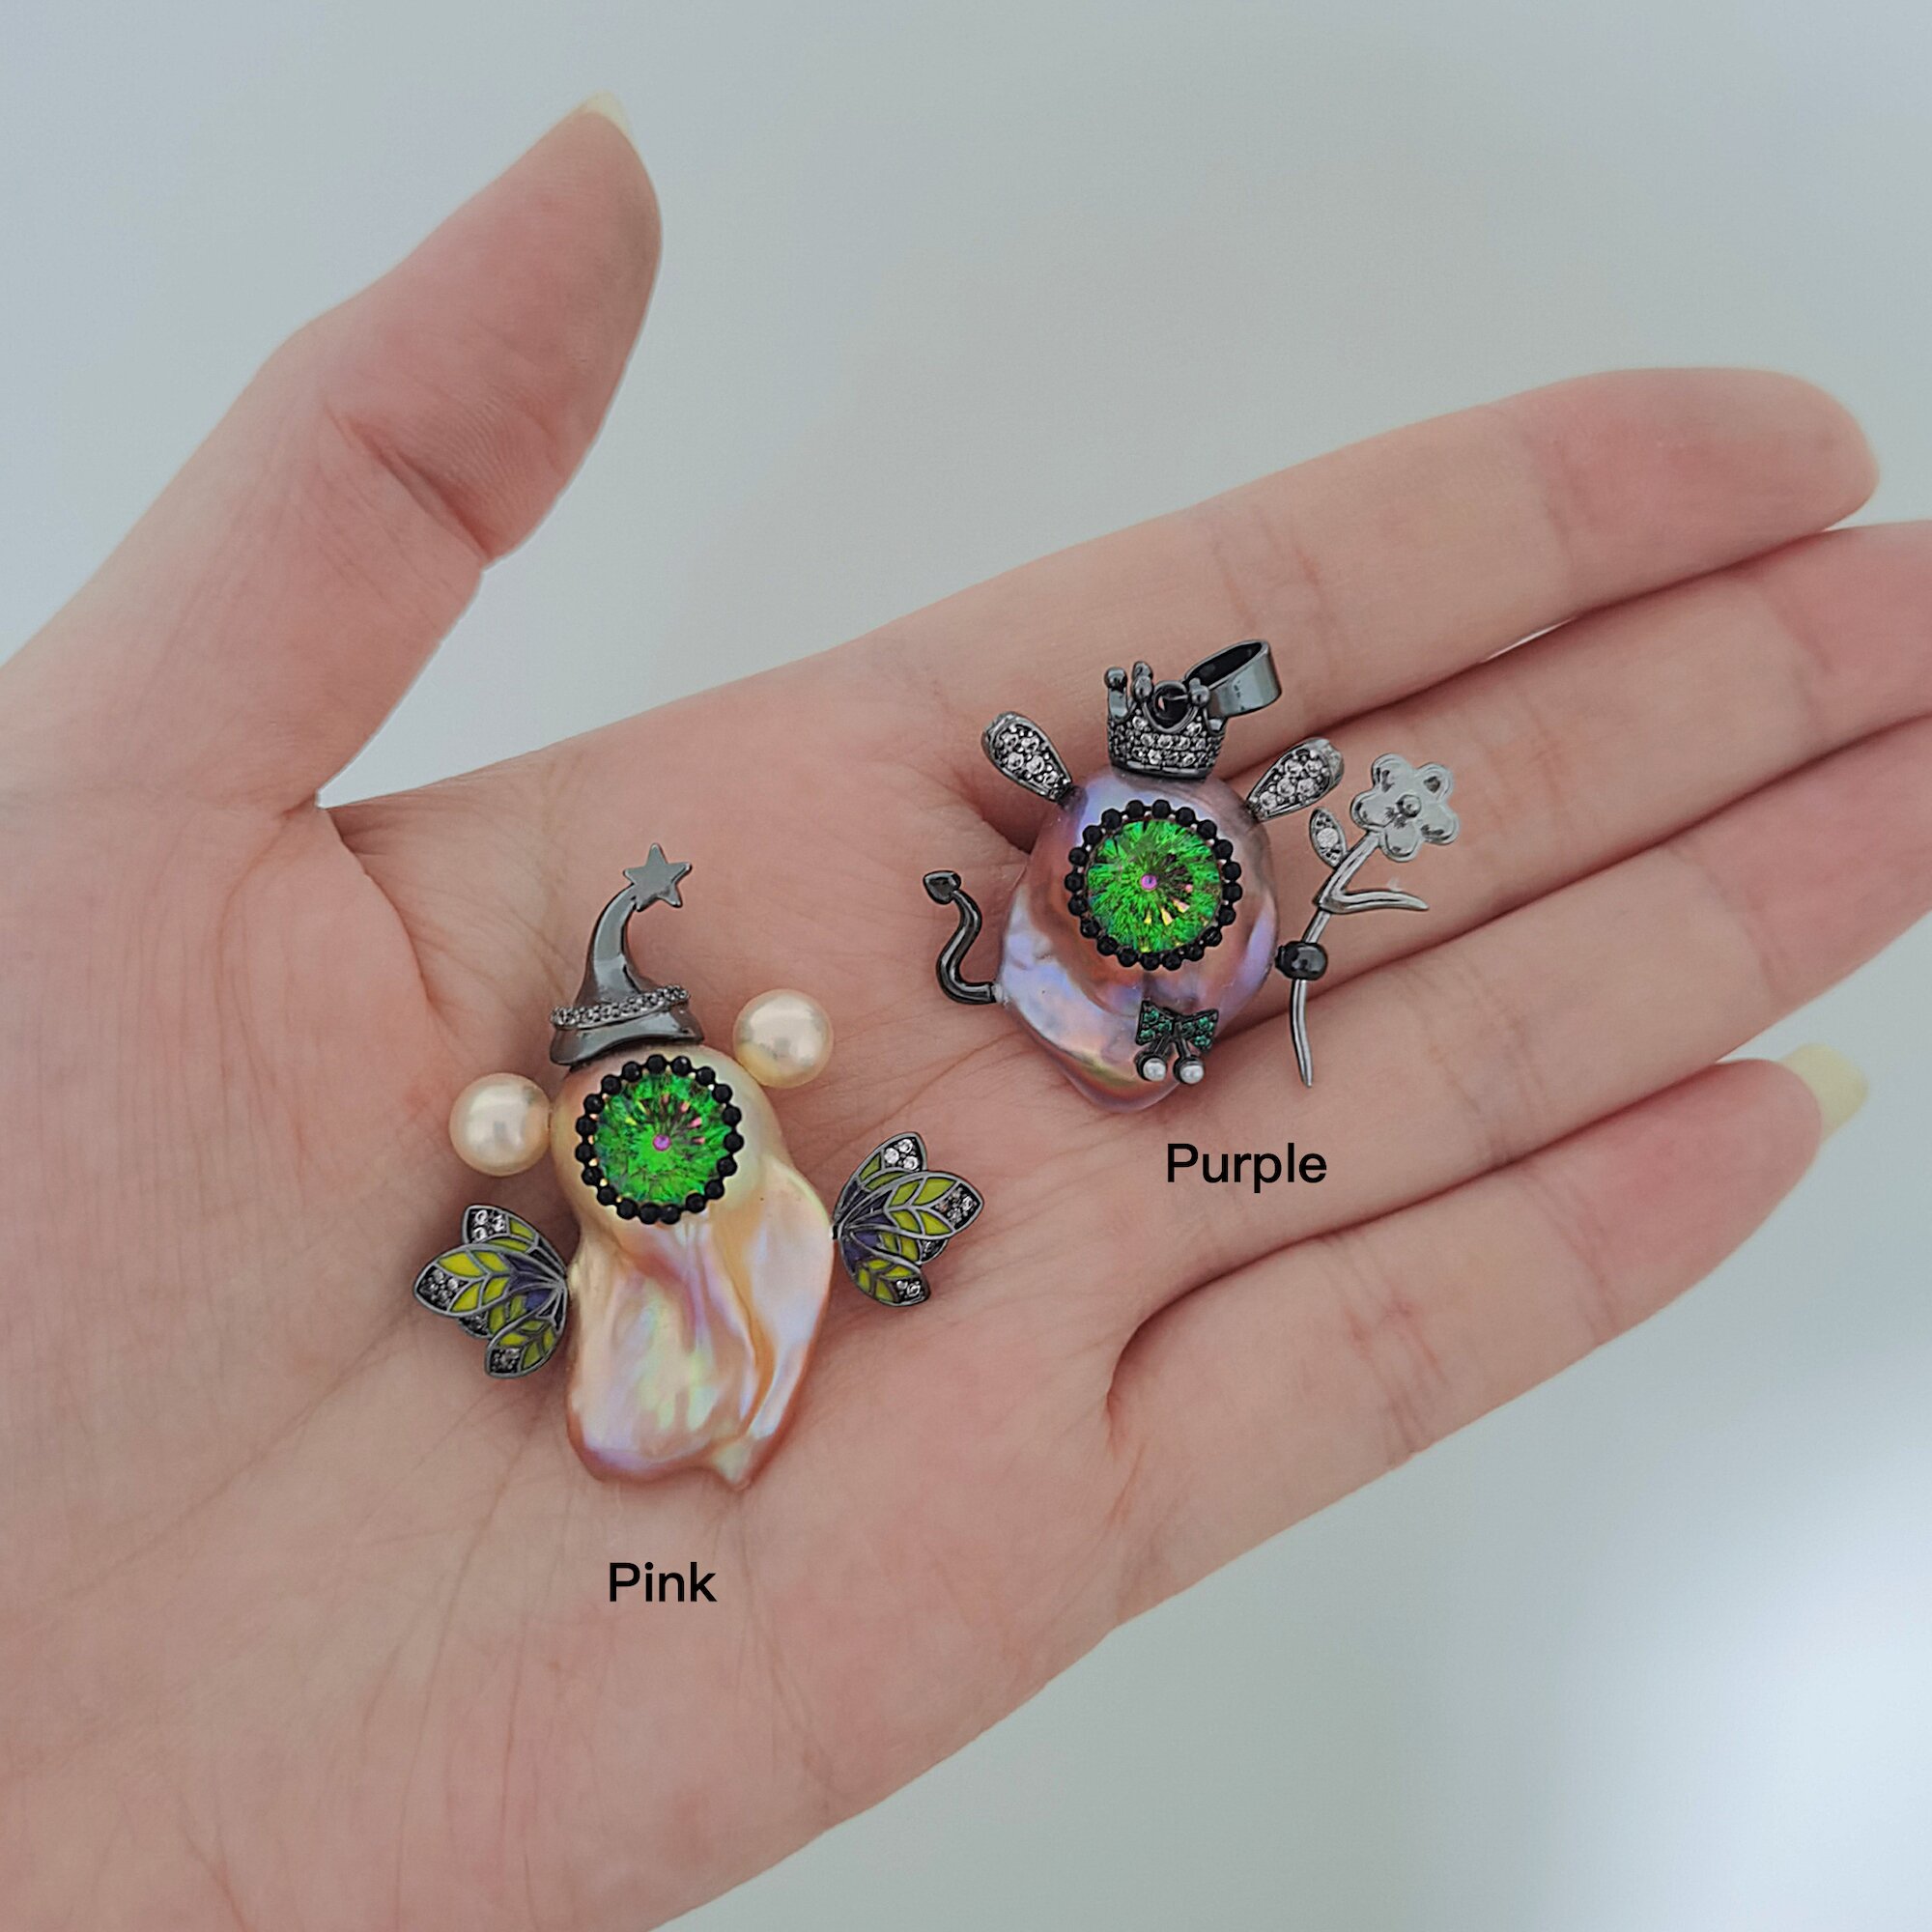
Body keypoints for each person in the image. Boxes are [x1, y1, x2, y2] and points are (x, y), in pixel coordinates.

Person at [1, 95, 1917, 1931]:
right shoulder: (725, 1099)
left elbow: (1144, 938)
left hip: (1033, 1055)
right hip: (820, 1192)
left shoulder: (1140, 857)